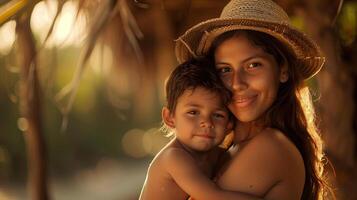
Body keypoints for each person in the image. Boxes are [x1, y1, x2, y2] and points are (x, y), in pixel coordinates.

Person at [175, 0, 333, 199]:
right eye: (225, 70)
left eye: (253, 65)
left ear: (282, 69)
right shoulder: (231, 148)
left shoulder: (270, 147)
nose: (237, 83)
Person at [139, 59, 263, 200]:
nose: (207, 122)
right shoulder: (173, 158)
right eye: (193, 112)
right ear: (170, 118)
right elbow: (214, 197)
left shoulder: (220, 155)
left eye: (218, 115)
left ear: (229, 124)